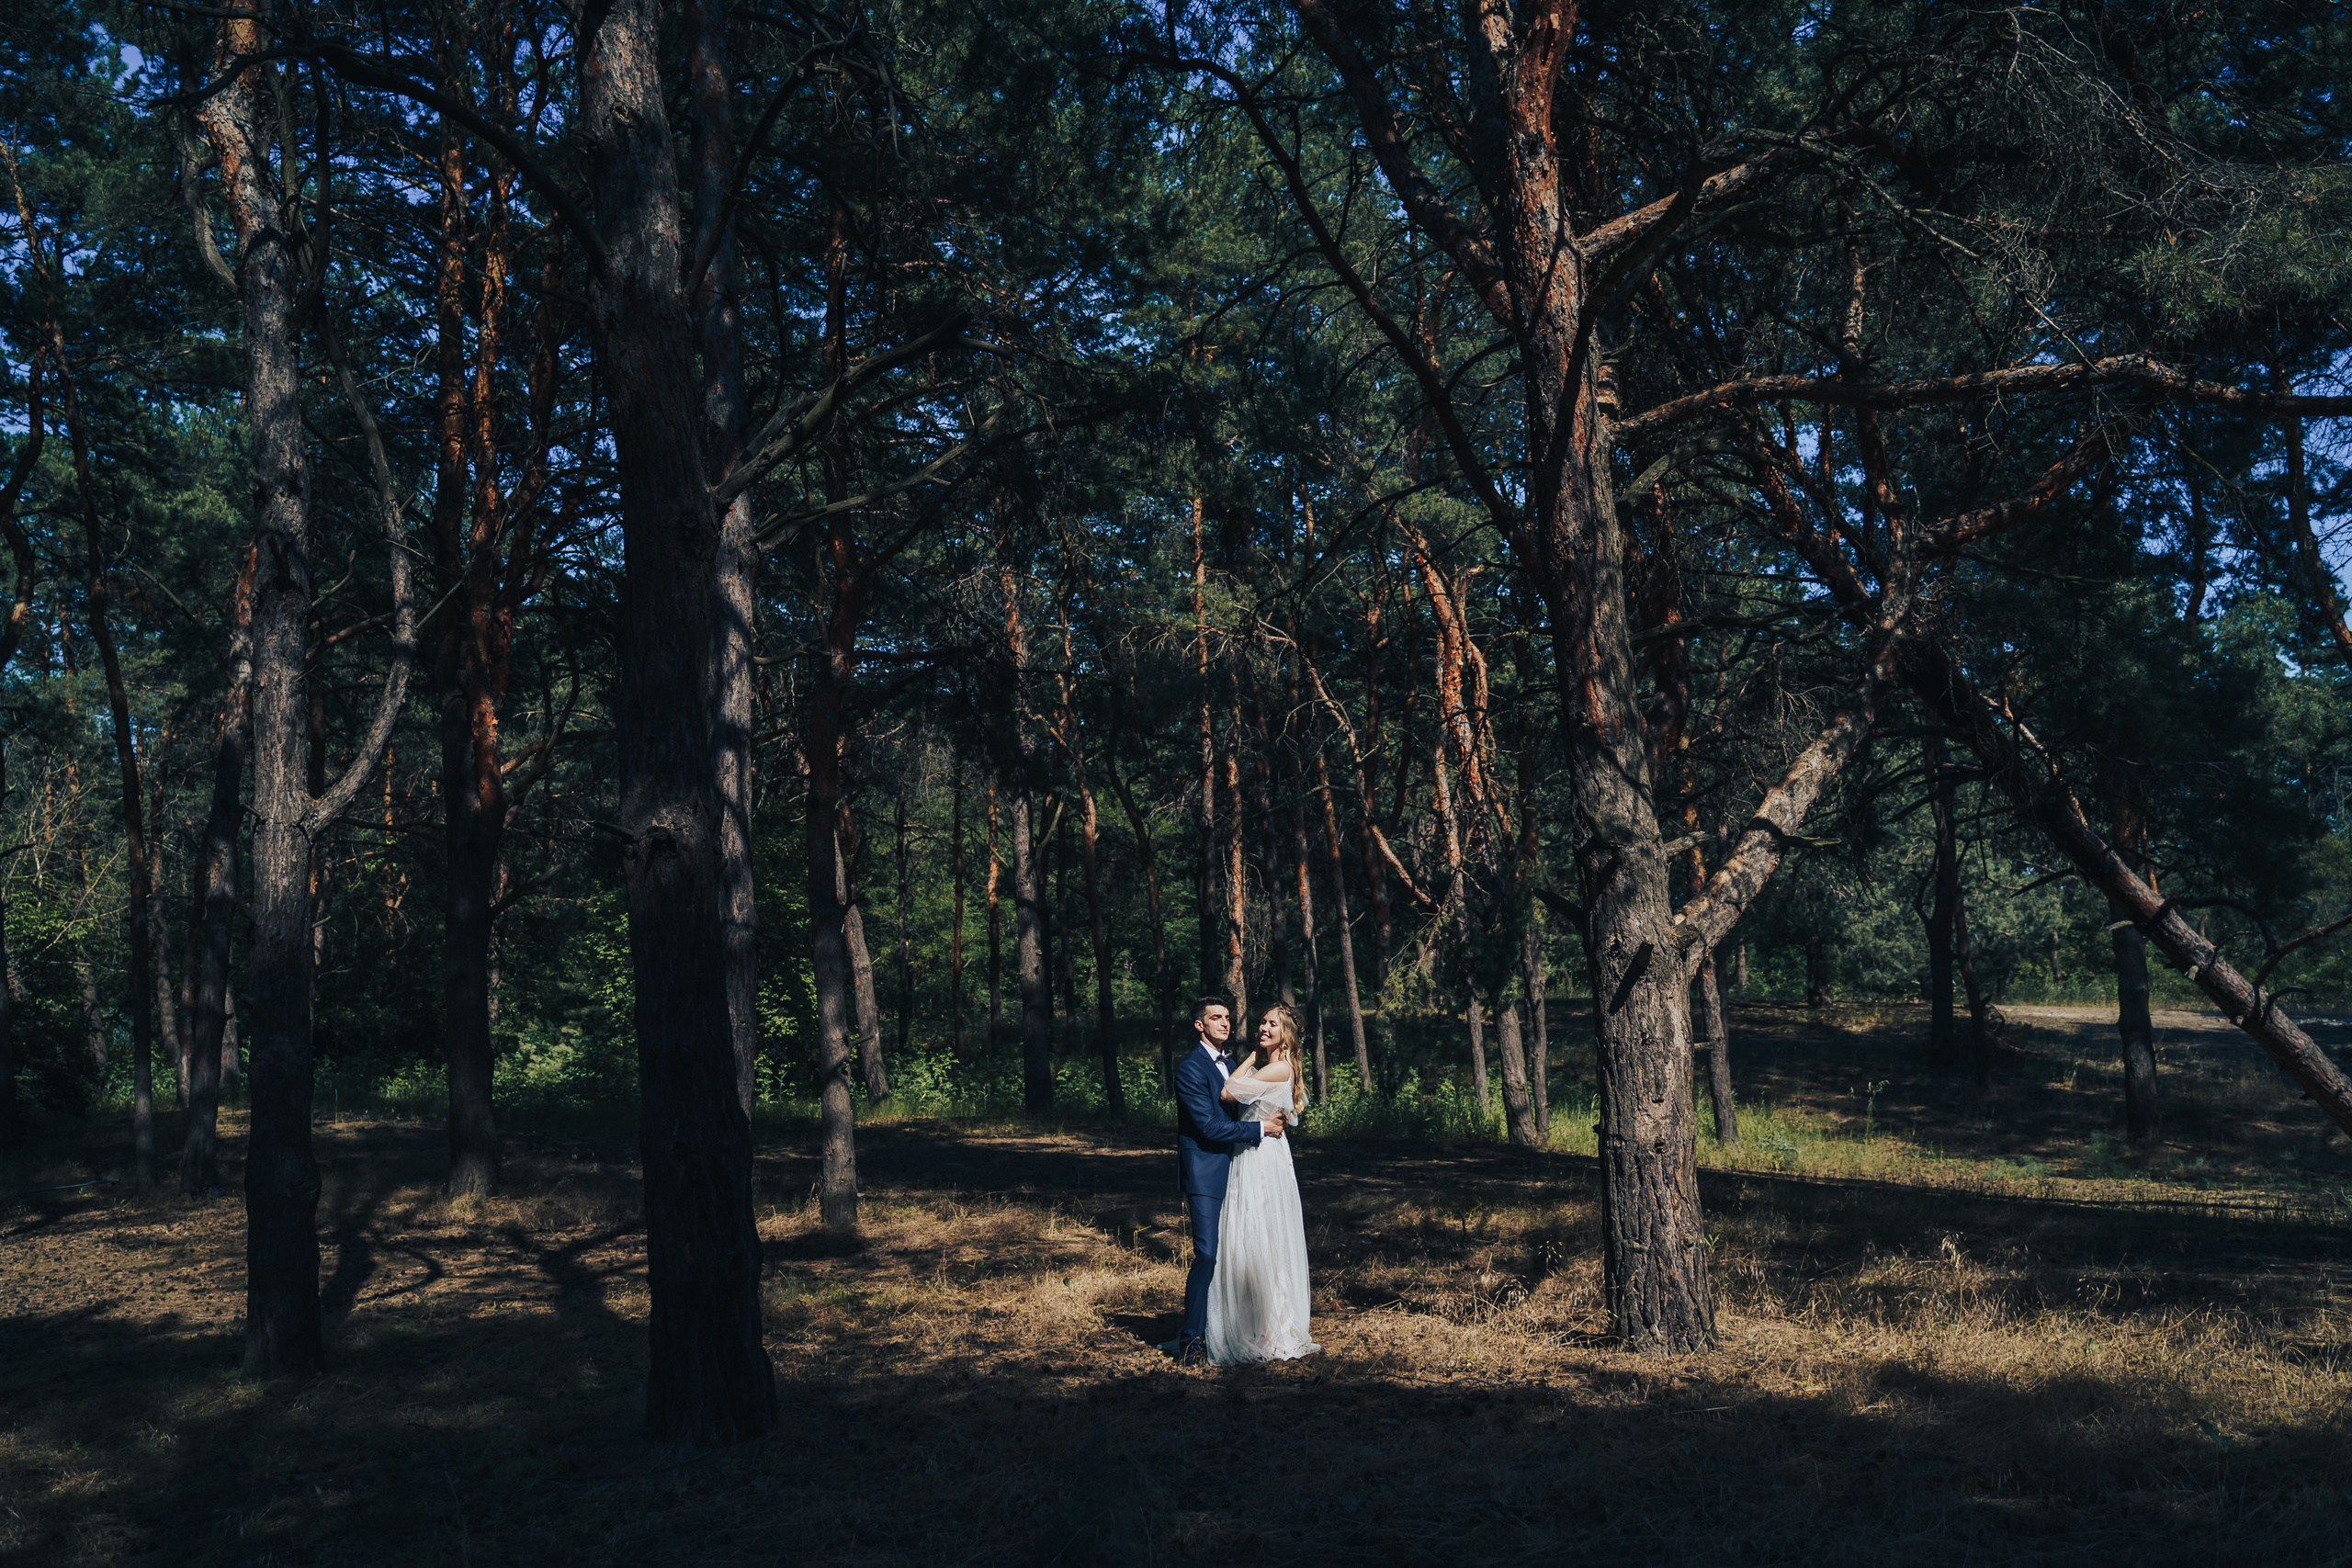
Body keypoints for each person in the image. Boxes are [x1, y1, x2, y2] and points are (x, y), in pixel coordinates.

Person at [1160, 995, 1285, 1360]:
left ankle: (1229, 1328)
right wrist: (1261, 1129)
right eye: (1217, 1017)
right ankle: (1191, 1340)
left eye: (1228, 1017)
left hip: (1240, 1170)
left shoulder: (1230, 1063)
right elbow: (1209, 1127)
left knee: (1237, 1254)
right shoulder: (1190, 1069)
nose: (1225, 1023)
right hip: (1205, 1173)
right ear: (1200, 1025)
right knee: (1207, 1254)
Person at [1204, 1003, 1321, 1364]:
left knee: (1263, 1235)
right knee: (1252, 1236)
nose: (1263, 1028)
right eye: (1263, 1022)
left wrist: (1252, 1057)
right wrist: (1256, 1058)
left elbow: (1228, 1092)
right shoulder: (1270, 1066)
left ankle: (1272, 1325)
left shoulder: (1280, 1067)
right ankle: (1255, 1319)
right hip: (1253, 1151)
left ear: (1286, 1034)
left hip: (1262, 1158)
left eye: (1272, 1024)